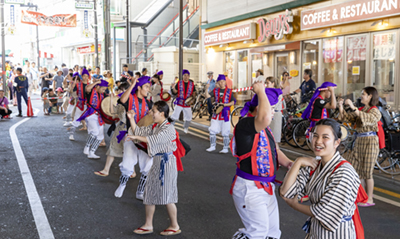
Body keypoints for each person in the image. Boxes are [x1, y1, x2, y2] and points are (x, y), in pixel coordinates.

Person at [280, 119, 362, 239]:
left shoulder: (344, 172)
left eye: (325, 137)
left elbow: (324, 212)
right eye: (315, 136)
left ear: (336, 142)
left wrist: (294, 205)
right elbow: (286, 192)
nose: (318, 141)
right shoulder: (315, 165)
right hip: (316, 232)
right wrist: (298, 162)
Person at [231, 82, 293, 239]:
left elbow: (275, 151)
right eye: (271, 108)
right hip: (250, 188)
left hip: (266, 186)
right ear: (260, 108)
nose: (273, 113)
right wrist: (259, 91)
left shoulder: (265, 129)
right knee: (257, 233)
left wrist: (289, 164)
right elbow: (264, 118)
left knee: (272, 233)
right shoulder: (245, 124)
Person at [128, 101, 181, 236]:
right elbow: (139, 130)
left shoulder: (169, 128)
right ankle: (148, 224)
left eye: (153, 111)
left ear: (162, 113)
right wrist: (131, 119)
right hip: (157, 161)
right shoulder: (155, 126)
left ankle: (174, 225)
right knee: (149, 192)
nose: (151, 113)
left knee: (168, 195)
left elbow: (153, 139)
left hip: (167, 163)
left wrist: (135, 137)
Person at [338, 87, 380, 207]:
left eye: (364, 94)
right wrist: (341, 106)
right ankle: (361, 196)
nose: (361, 96)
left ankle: (370, 198)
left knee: (367, 171)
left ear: (370, 96)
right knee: (356, 170)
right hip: (359, 140)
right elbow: (346, 118)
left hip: (370, 141)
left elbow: (368, 119)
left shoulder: (375, 110)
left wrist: (353, 107)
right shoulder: (362, 109)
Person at [114, 76, 153, 200]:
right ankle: (122, 184)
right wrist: (132, 85)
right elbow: (121, 100)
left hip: (143, 137)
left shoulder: (148, 102)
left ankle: (140, 191)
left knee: (148, 164)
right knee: (127, 163)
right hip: (131, 135)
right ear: (139, 87)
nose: (148, 89)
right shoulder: (130, 98)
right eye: (146, 87)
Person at [94, 82, 132, 177]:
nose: (118, 91)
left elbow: (112, 112)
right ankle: (132, 172)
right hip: (130, 128)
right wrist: (112, 99)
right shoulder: (132, 100)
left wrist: (112, 99)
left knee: (115, 148)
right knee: (127, 150)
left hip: (122, 129)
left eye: (120, 90)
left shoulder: (123, 101)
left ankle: (106, 170)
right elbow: (113, 112)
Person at [76, 79, 109, 159]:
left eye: (105, 89)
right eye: (103, 89)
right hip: (91, 115)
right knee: (94, 132)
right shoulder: (91, 91)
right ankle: (86, 148)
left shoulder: (102, 95)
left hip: (99, 116)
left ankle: (92, 152)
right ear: (97, 87)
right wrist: (97, 82)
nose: (104, 91)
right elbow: (87, 89)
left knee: (100, 136)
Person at [205, 74, 235, 153]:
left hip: (225, 113)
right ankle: (212, 146)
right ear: (218, 82)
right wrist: (206, 89)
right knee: (212, 130)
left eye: (223, 81)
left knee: (225, 131)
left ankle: (225, 148)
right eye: (220, 82)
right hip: (216, 113)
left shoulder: (229, 91)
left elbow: (232, 102)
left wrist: (224, 105)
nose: (222, 83)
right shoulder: (215, 90)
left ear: (225, 82)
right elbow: (207, 96)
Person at [170, 69, 196, 134]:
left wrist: (193, 97)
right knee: (174, 116)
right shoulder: (179, 83)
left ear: (189, 76)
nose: (186, 77)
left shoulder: (192, 84)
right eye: (185, 75)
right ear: (182, 76)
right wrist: (173, 87)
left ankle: (186, 127)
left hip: (187, 103)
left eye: (187, 75)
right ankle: (170, 127)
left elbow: (194, 92)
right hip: (180, 102)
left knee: (189, 117)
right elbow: (175, 91)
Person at [68, 69, 90, 141]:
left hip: (88, 105)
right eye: (84, 76)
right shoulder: (78, 85)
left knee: (90, 121)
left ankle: (91, 138)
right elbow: (73, 93)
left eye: (87, 76)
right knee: (76, 119)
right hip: (80, 104)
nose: (86, 77)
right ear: (82, 76)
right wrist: (72, 87)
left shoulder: (90, 85)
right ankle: (71, 134)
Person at [265, 76, 284, 143]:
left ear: (273, 83)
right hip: (270, 114)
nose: (266, 85)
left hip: (275, 114)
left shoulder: (277, 92)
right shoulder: (268, 92)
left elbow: (273, 105)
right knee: (269, 136)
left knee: (274, 137)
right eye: (266, 83)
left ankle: (275, 152)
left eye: (268, 83)